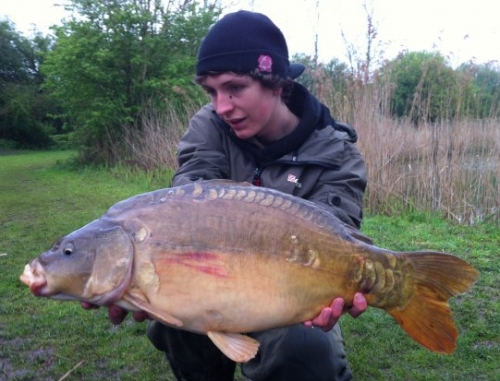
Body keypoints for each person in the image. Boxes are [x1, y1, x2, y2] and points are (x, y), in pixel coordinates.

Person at [84, 10, 368, 381]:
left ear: (278, 84)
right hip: (212, 280)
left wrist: (339, 290)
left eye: (235, 88)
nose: (221, 106)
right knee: (173, 322)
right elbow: (189, 202)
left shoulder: (338, 154)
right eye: (211, 91)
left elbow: (337, 238)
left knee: (304, 347)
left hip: (290, 288)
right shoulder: (209, 126)